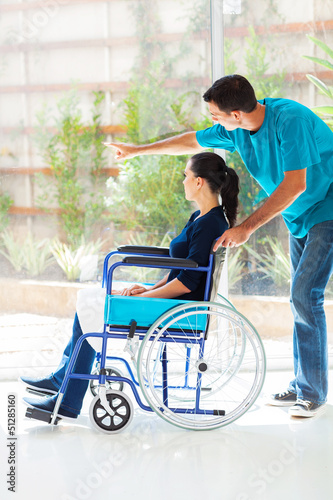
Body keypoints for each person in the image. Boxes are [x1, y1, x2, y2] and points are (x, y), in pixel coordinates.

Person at [104, 74, 333, 418]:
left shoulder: (291, 121)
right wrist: (138, 151)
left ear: (236, 114)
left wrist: (246, 229)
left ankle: (312, 393)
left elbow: (295, 185)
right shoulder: (236, 128)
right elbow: (191, 142)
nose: (213, 121)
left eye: (215, 115)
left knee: (305, 295)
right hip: (298, 216)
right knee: (299, 297)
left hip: (326, 207)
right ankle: (302, 385)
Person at [21, 152, 240, 420]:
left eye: (185, 176)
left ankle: (67, 397)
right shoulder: (200, 217)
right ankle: (63, 380)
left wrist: (149, 294)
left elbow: (187, 282)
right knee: (92, 299)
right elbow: (182, 269)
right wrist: (147, 289)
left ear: (198, 182)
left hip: (180, 308)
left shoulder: (209, 223)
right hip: (172, 299)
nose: (182, 181)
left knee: (96, 306)